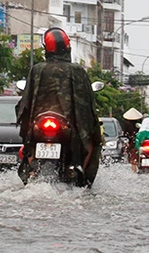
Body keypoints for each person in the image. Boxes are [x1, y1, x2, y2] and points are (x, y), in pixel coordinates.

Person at [16, 27, 102, 186]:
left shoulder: (37, 69)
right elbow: (86, 104)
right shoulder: (77, 70)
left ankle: (31, 170)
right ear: (67, 47)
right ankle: (83, 179)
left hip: (40, 123)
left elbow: (25, 103)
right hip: (68, 126)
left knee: (29, 140)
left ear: (46, 49)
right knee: (93, 142)